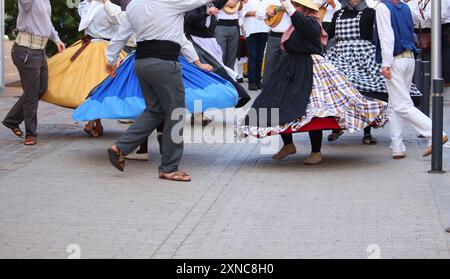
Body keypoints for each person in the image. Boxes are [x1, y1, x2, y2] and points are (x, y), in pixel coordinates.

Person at [238, 0, 388, 165]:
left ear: (306, 8)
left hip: (310, 67)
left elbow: (302, 24)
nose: (294, 8)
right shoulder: (295, 24)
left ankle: (316, 152)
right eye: (294, 5)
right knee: (273, 101)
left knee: (314, 109)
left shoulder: (312, 22)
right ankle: (288, 145)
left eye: (297, 6)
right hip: (290, 66)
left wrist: (288, 7)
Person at [105, 0, 214, 182]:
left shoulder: (134, 5)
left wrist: (110, 59)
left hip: (141, 64)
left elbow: (121, 36)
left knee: (155, 110)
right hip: (164, 64)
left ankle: (120, 147)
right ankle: (169, 168)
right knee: (176, 112)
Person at [325, 0, 421, 145]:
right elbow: (328, 34)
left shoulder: (370, 12)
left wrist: (384, 59)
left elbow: (378, 35)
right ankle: (337, 126)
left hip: (363, 55)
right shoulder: (338, 13)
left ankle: (367, 131)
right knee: (336, 87)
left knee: (366, 90)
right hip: (339, 55)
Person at [42, 0, 127, 138]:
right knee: (101, 85)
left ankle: (96, 123)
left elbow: (84, 8)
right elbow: (120, 20)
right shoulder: (110, 8)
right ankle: (91, 123)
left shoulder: (87, 6)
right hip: (105, 48)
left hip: (88, 47)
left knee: (92, 84)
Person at [375, 0, 447, 159]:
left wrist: (386, 63)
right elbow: (418, 20)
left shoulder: (382, 7)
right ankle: (397, 147)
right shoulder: (405, 7)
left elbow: (386, 36)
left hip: (395, 59)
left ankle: (435, 133)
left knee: (401, 104)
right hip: (409, 58)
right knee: (395, 104)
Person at [2, 0, 65, 146]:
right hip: (26, 51)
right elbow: (25, 3)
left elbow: (46, 22)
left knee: (41, 88)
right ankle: (30, 134)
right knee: (31, 93)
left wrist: (56, 39)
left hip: (39, 51)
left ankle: (12, 120)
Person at [184, 0, 251, 112]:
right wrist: (207, 12)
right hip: (196, 42)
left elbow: (220, 2)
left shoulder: (210, 2)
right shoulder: (193, 2)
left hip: (209, 42)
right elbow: (189, 18)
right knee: (206, 77)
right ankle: (199, 112)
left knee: (212, 75)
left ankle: (203, 109)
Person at [407, 0, 450, 86]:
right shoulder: (415, 1)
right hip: (415, 31)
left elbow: (444, 15)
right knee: (415, 60)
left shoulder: (438, 1)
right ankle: (416, 84)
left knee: (429, 60)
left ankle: (428, 84)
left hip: (430, 32)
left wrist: (425, 15)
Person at [256, 0, 292, 88]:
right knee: (270, 63)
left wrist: (289, 10)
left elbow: (301, 14)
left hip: (289, 36)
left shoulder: (292, 2)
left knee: (287, 64)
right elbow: (258, 14)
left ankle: (284, 89)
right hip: (274, 36)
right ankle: (267, 88)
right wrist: (266, 13)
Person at [242, 0, 269, 90]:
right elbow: (242, 12)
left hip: (264, 29)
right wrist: (256, 13)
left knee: (260, 56)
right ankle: (251, 81)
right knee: (252, 56)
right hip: (251, 29)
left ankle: (258, 80)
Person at [216, 0, 248, 69]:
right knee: (220, 55)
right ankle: (220, 78)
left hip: (234, 24)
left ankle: (229, 78)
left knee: (232, 57)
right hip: (220, 23)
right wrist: (225, 3)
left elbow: (240, 10)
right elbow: (212, 3)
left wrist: (240, 2)